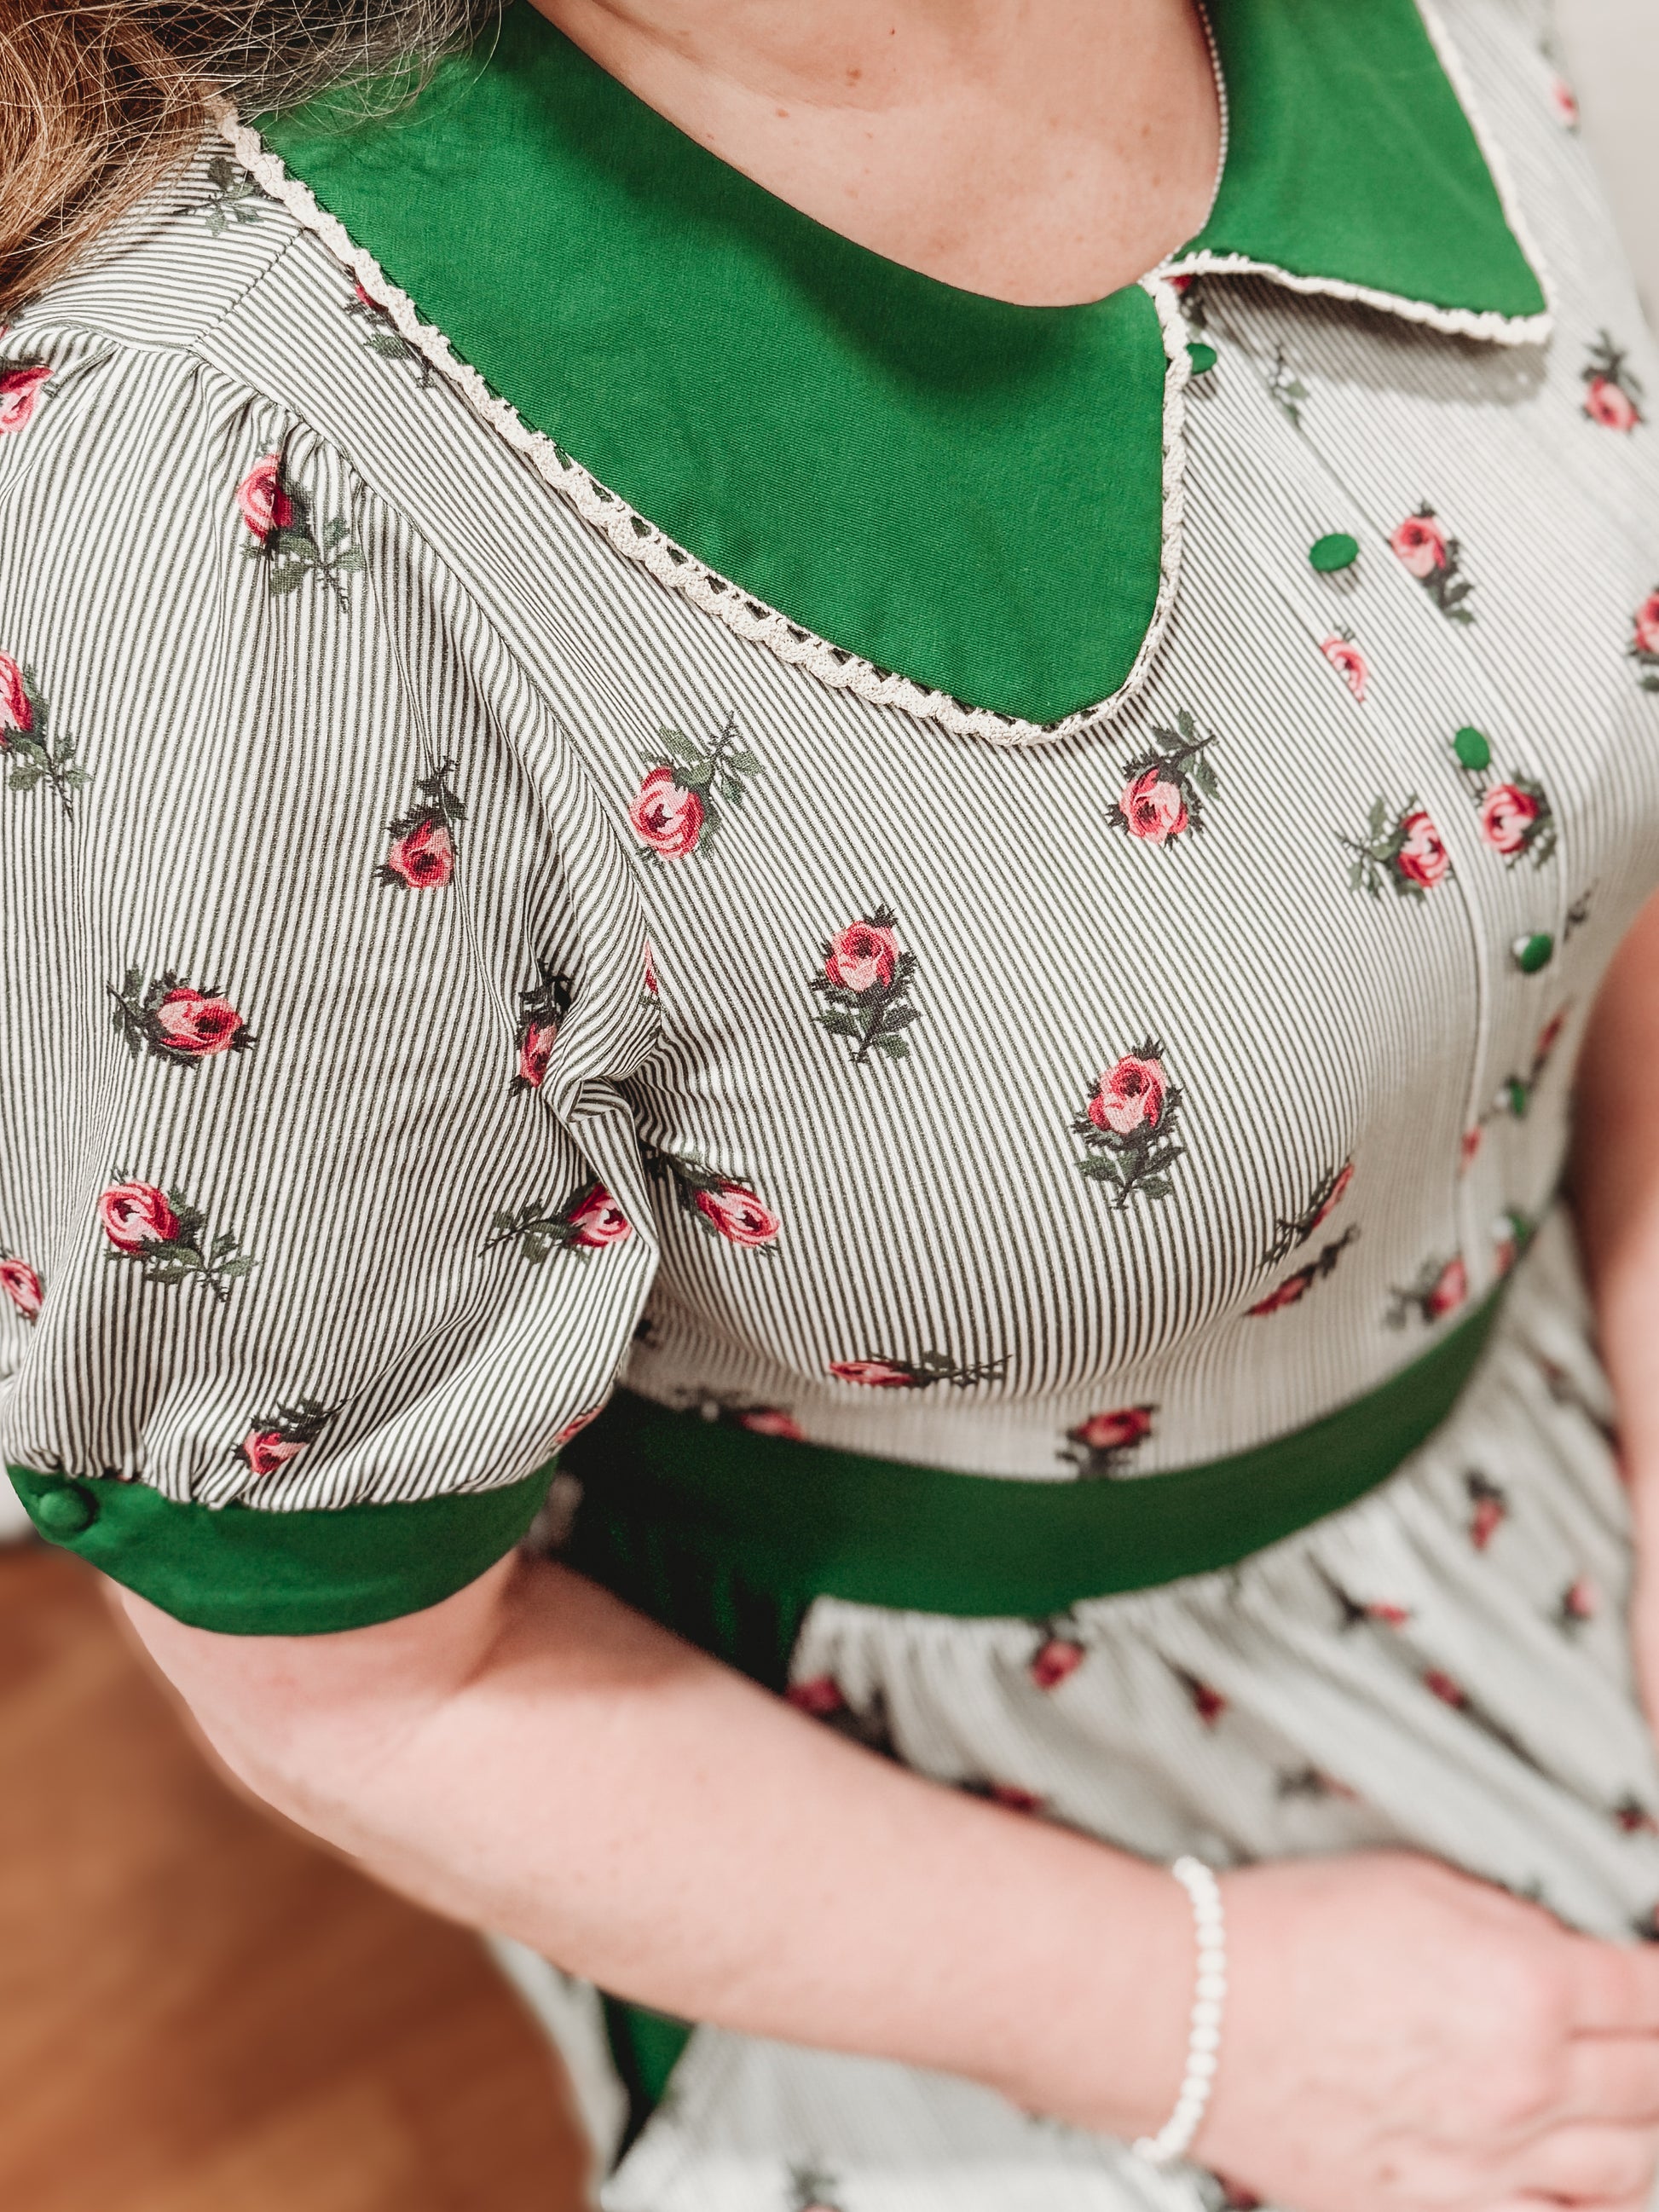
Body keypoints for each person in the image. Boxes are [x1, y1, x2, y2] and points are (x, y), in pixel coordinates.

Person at [5, 0, 1659, 2205]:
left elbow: (1568, 778)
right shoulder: (214, 467)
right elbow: (351, 1673)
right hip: (1000, 1851)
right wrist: (1202, 2024)